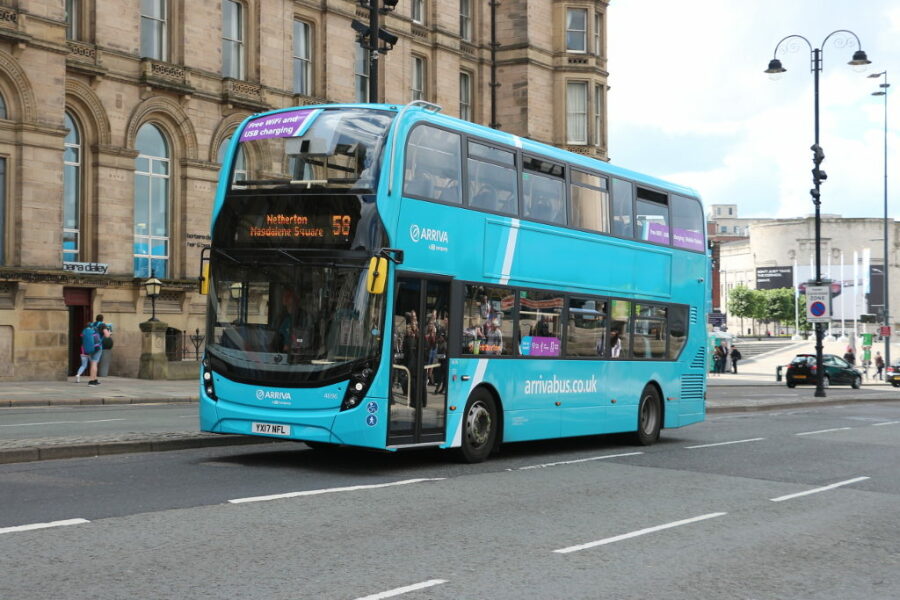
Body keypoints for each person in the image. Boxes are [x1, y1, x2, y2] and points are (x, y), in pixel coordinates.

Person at [80, 320, 103, 385]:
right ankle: (92, 381)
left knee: (93, 363)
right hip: (97, 348)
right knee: (94, 364)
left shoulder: (84, 331)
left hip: (89, 349)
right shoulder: (95, 329)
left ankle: (95, 379)